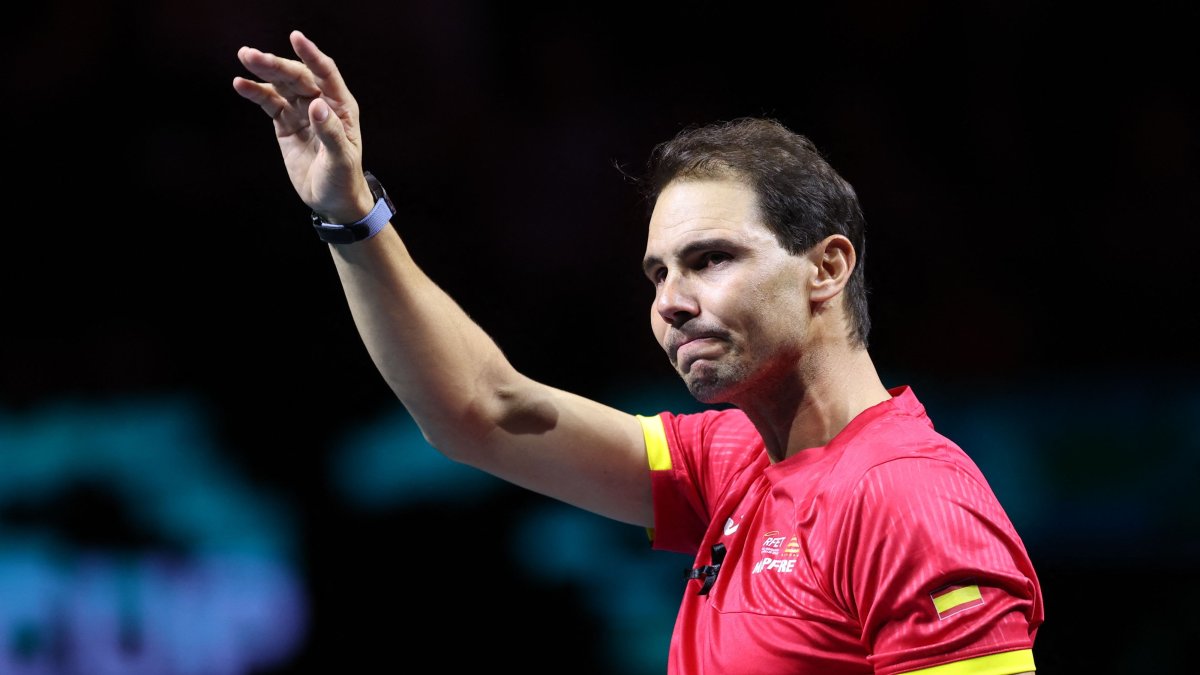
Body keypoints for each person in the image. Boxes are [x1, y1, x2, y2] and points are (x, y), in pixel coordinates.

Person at [233, 30, 1044, 675]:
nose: (670, 302)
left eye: (711, 259)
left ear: (827, 267)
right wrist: (350, 215)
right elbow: (482, 411)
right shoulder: (733, 461)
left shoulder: (907, 501)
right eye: (658, 273)